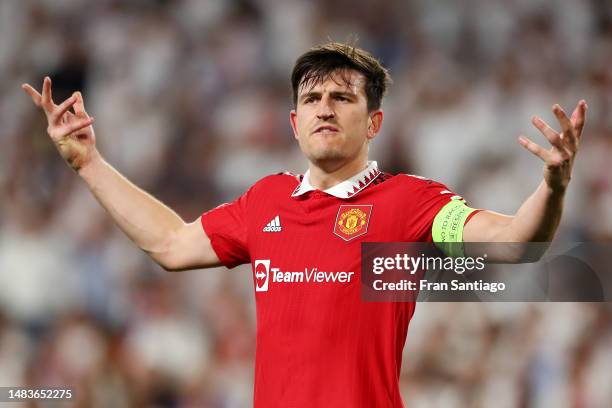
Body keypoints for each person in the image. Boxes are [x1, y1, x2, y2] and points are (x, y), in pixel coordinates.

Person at [22, 42, 586, 407]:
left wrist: (553, 185)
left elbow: (515, 244)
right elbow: (170, 244)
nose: (325, 108)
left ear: (375, 122)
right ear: (294, 122)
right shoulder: (265, 201)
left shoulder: (409, 201)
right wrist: (89, 164)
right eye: (312, 98)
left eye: (343, 97)